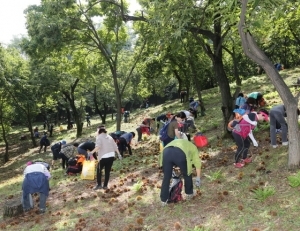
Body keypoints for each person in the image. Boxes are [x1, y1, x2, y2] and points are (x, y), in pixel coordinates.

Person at [159, 139, 201, 205]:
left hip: (166, 152)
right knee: (187, 173)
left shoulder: (182, 142)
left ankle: (163, 200)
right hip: (179, 153)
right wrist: (198, 177)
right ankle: (189, 193)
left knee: (166, 177)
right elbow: (197, 163)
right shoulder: (193, 148)